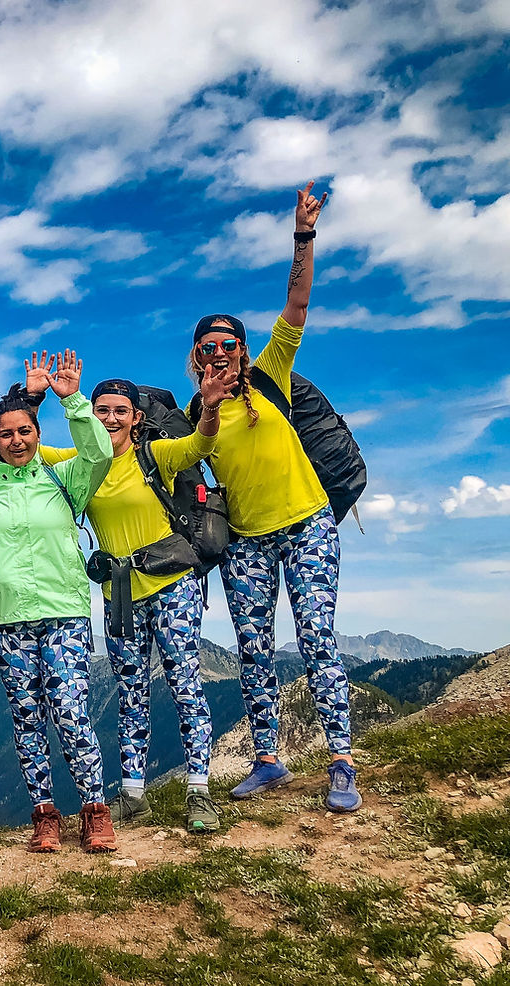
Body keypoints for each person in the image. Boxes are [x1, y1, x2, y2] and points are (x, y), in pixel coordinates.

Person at [188, 181, 360, 813]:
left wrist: (303, 237)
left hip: (307, 522)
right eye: (208, 348)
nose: (220, 355)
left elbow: (297, 303)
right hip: (246, 541)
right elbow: (194, 464)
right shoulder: (194, 410)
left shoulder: (269, 375)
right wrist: (205, 412)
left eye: (229, 344)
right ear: (197, 357)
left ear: (241, 348)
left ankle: (341, 759)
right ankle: (268, 760)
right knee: (253, 644)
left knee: (318, 639)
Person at [0, 352, 117, 853]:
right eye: (6, 434)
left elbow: (99, 454)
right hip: (6, 619)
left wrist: (73, 399)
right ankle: (45, 814)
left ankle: (95, 811)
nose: (16, 441)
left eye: (24, 431)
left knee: (70, 711)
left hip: (62, 612)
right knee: (26, 717)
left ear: (36, 432)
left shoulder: (63, 479)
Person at [31, 360, 237, 833]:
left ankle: (199, 793)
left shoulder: (156, 455)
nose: (108, 418)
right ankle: (133, 794)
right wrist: (50, 396)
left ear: (136, 417)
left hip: (171, 584)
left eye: (119, 411)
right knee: (130, 692)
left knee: (185, 684)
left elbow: (200, 446)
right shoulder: (82, 462)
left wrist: (208, 409)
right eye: (101, 410)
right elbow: (24, 447)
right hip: (119, 592)